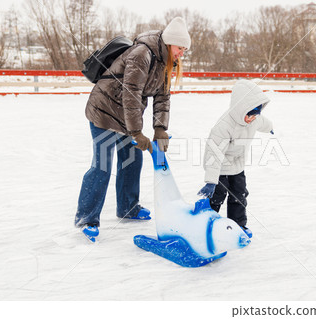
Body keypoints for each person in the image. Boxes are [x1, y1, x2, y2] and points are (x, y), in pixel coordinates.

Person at [75, 17, 191, 241]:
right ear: (169, 43)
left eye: (185, 50)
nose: (181, 54)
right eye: (180, 48)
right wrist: (137, 132)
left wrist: (160, 129)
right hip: (104, 112)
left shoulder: (165, 62)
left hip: (126, 117)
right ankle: (87, 218)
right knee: (102, 165)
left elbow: (162, 98)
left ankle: (128, 208)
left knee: (132, 159)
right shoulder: (142, 54)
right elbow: (131, 94)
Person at [197, 79, 274, 238]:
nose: (251, 119)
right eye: (249, 115)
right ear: (240, 109)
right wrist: (211, 180)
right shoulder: (224, 126)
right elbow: (214, 153)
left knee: (239, 195)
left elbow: (263, 123)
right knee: (217, 197)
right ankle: (207, 225)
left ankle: (237, 225)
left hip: (237, 166)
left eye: (255, 116)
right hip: (219, 168)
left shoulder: (255, 119)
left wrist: (270, 128)